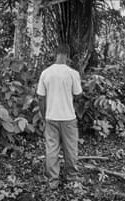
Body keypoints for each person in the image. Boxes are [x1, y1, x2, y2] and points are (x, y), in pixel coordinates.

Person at [36, 43, 83, 190]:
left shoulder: (46, 73)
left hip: (51, 117)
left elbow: (41, 98)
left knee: (51, 149)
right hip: (68, 117)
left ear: (55, 54)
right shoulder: (73, 73)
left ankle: (53, 181)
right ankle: (71, 178)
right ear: (68, 56)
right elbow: (78, 94)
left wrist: (44, 116)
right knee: (71, 149)